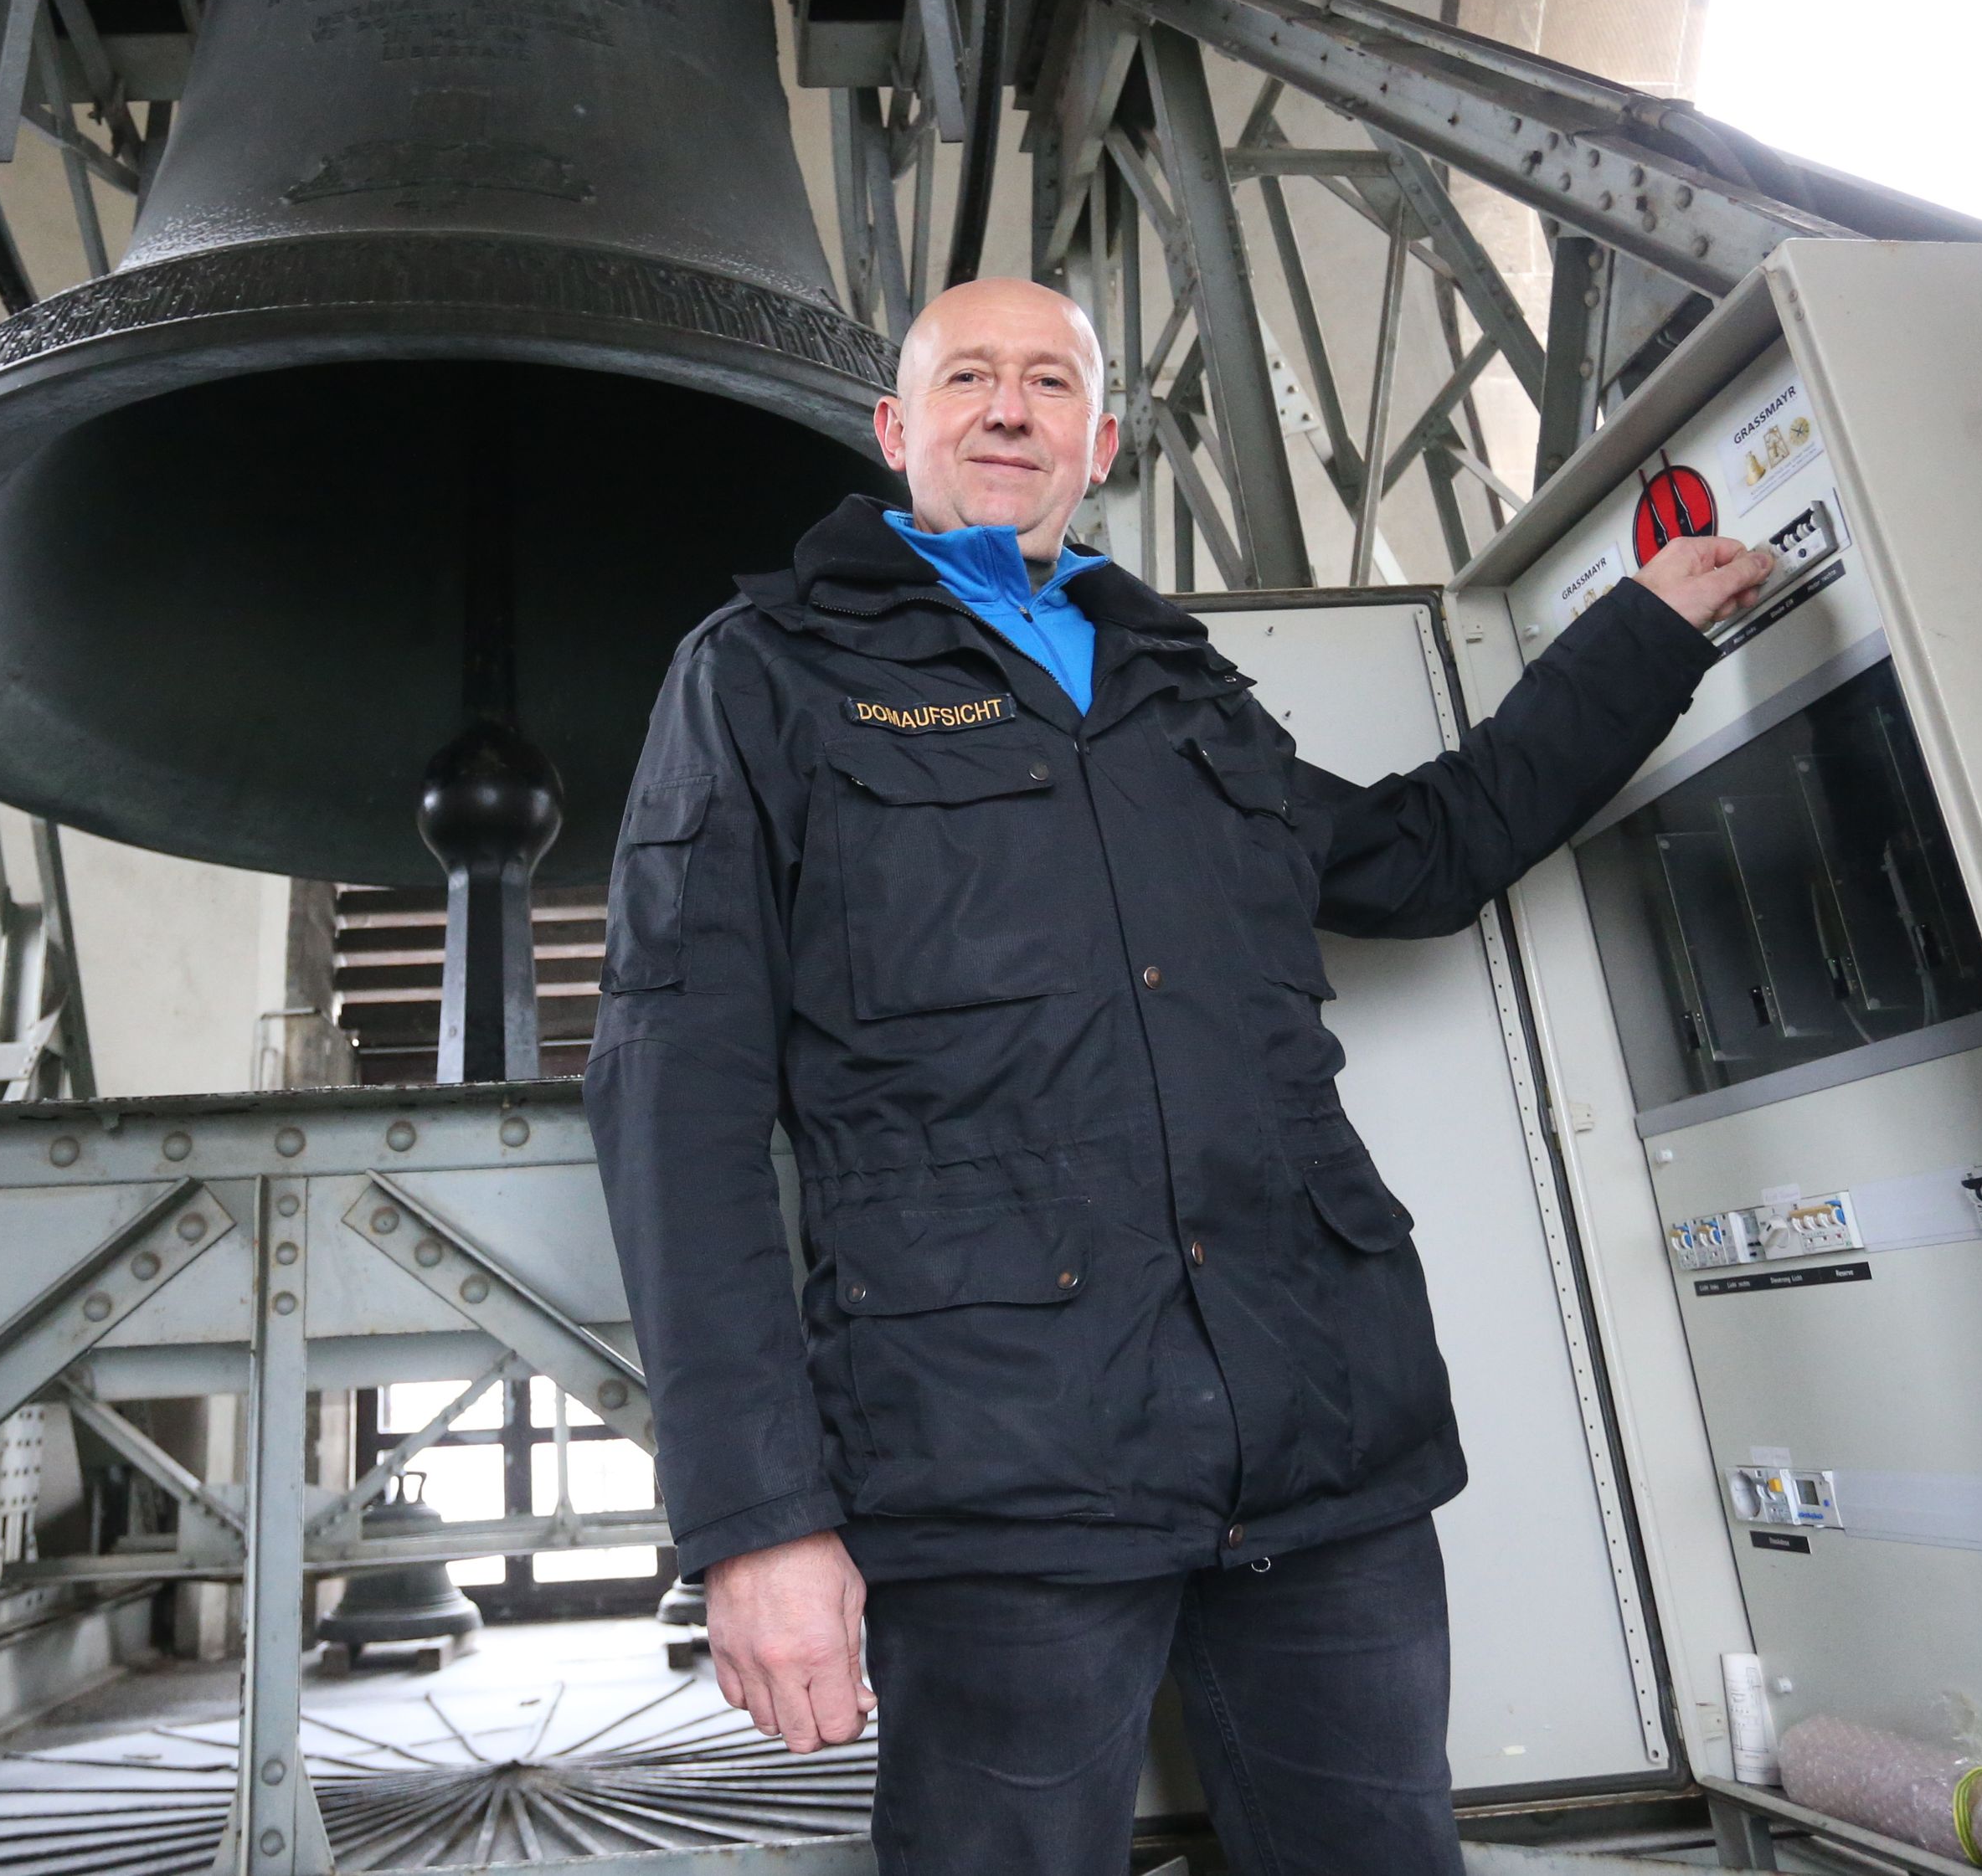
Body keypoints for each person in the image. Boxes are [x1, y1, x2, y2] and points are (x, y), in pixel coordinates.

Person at [587, 277, 1767, 1874]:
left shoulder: (1175, 685)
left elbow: (1420, 856)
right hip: (996, 1472)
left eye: (1050, 383)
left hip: (1319, 1442)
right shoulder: (763, 677)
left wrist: (1646, 633)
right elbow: (678, 1103)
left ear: (1100, 438)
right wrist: (756, 1525)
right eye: (968, 379)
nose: (1010, 409)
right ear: (894, 430)